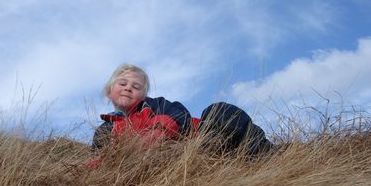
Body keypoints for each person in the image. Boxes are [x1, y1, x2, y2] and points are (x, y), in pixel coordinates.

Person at [93, 63, 272, 155]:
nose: (128, 88)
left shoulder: (156, 104)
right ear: (109, 91)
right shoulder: (105, 130)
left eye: (136, 86)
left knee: (220, 110)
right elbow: (100, 157)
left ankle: (265, 151)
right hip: (173, 159)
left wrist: (161, 129)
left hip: (198, 140)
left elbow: (181, 117)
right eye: (122, 83)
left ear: (143, 95)